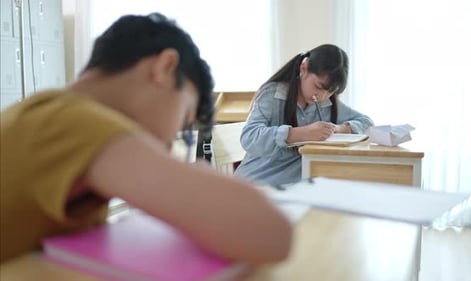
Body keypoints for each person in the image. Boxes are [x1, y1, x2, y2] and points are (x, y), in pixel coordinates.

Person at [0, 13, 291, 264]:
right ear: (164, 68)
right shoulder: (73, 122)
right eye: (183, 119)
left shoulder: (46, 113)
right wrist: (198, 175)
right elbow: (271, 232)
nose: (168, 144)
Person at [234, 44, 374, 186]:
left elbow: (367, 122)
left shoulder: (327, 103)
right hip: (257, 182)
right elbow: (249, 137)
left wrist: (340, 129)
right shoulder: (273, 94)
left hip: (296, 185)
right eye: (318, 87)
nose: (322, 96)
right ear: (304, 68)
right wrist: (299, 133)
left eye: (331, 91)